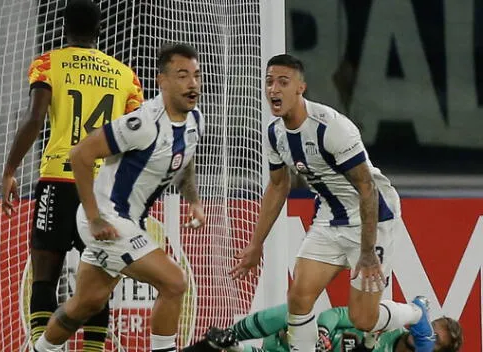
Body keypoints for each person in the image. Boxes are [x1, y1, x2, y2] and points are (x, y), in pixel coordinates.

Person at [230, 54, 435, 352]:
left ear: (301, 87)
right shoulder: (275, 134)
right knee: (299, 297)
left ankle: (417, 312)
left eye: (283, 82)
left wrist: (366, 252)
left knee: (363, 319)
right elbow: (277, 186)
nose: (274, 89)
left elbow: (367, 189)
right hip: (330, 217)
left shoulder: (332, 128)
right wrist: (256, 243)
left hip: (374, 218)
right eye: (269, 81)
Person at [31, 42, 205, 352]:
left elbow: (185, 159)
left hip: (127, 221)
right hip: (108, 219)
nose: (192, 84)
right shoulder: (143, 123)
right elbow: (81, 154)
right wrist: (95, 216)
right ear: (161, 81)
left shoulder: (194, 121)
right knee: (175, 282)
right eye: (182, 75)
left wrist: (193, 199)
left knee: (86, 302)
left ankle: (39, 349)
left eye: (196, 75)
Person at [0, 0, 143, 349]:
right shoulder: (125, 76)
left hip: (59, 181)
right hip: (102, 191)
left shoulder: (49, 63)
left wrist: (10, 170)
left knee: (45, 276)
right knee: (97, 280)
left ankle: (40, 345)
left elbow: (34, 119)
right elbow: (137, 138)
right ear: (100, 30)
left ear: (64, 29)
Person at [182, 299, 463, 352]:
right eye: (429, 327)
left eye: (435, 341)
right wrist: (324, 334)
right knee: (297, 310)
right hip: (302, 343)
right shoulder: (388, 324)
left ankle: (234, 349)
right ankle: (231, 336)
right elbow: (336, 314)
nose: (425, 335)